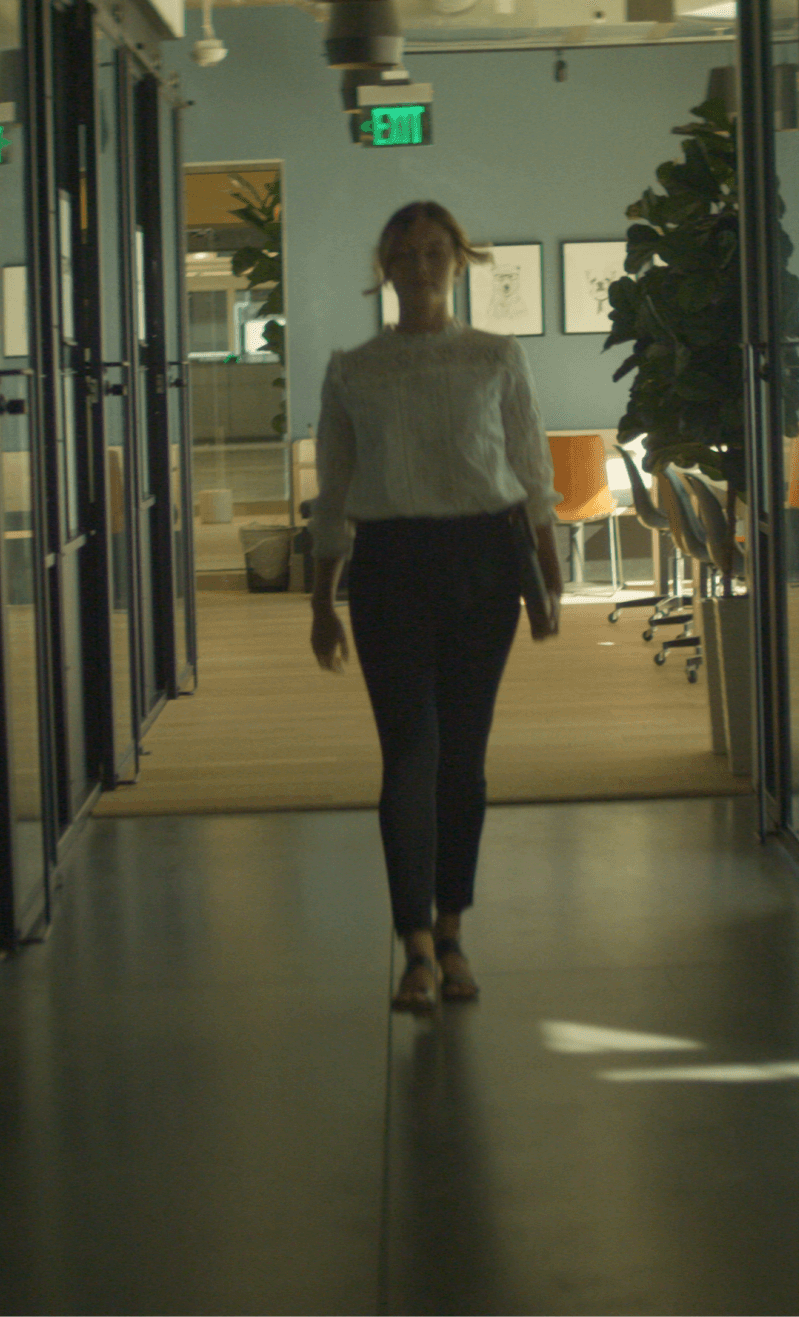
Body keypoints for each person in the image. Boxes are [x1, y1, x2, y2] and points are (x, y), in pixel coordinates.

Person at [309, 202, 563, 1013]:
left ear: (461, 260)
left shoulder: (495, 358)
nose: (419, 264)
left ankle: (451, 928)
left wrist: (548, 583)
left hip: (483, 567)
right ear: (384, 264)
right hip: (389, 568)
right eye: (405, 252)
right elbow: (335, 493)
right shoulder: (353, 368)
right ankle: (414, 943)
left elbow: (530, 473)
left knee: (464, 757)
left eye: (434, 251)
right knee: (409, 756)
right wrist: (321, 600)